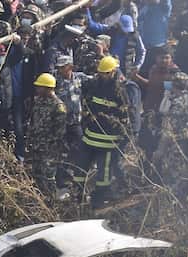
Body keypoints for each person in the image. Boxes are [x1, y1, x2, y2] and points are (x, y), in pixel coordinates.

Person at [77, 55, 133, 205]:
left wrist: (123, 136)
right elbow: (86, 103)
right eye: (101, 73)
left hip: (107, 141)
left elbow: (125, 115)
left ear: (114, 72)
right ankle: (79, 197)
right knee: (81, 167)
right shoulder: (93, 85)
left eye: (106, 73)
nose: (103, 76)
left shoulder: (120, 91)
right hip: (90, 137)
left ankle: (99, 199)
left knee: (104, 172)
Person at [27, 73, 68, 193]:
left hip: (50, 149)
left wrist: (47, 143)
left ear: (48, 88)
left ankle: (51, 199)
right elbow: (33, 122)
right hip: (36, 146)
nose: (37, 89)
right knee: (36, 174)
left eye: (40, 87)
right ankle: (38, 197)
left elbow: (60, 131)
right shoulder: (38, 101)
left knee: (48, 176)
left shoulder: (58, 106)